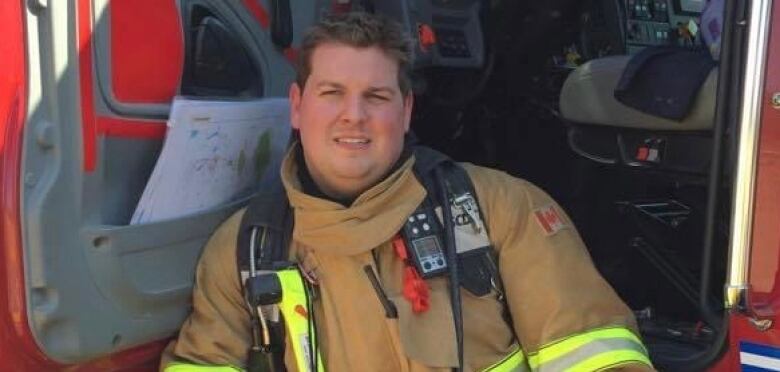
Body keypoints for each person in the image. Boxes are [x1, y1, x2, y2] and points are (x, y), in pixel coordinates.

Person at [161, 12, 654, 372]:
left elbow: (599, 358)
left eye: (376, 96)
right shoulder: (244, 247)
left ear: (407, 110)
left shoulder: (503, 209)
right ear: (296, 106)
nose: (354, 115)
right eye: (331, 93)